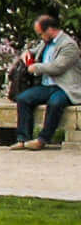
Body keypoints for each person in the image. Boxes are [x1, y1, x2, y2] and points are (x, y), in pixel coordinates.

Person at [12, 13, 80, 151]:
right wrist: (27, 53)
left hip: (65, 87)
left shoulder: (69, 45)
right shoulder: (46, 42)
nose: (40, 36)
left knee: (55, 103)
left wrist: (36, 67)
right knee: (23, 99)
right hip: (47, 85)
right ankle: (23, 138)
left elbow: (58, 67)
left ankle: (43, 139)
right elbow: (34, 51)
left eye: (41, 33)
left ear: (50, 30)